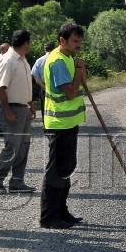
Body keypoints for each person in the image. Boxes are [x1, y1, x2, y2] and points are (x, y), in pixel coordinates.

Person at [40, 22, 87, 229]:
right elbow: (69, 92)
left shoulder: (69, 58)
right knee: (56, 170)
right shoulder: (58, 61)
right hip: (59, 123)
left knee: (66, 168)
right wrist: (78, 71)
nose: (78, 45)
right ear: (62, 40)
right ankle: (49, 216)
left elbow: (81, 83)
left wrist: (81, 69)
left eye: (80, 41)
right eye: (75, 41)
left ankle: (61, 210)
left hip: (69, 122)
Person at [0, 29, 37, 195]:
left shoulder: (23, 60)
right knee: (12, 147)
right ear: (26, 43)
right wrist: (8, 111)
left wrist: (30, 104)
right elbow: (1, 88)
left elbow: (23, 86)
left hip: (22, 107)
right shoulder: (8, 60)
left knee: (23, 146)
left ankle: (17, 181)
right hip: (12, 108)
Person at [31, 41, 54, 107]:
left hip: (44, 87)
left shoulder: (39, 61)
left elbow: (36, 77)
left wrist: (44, 87)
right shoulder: (58, 58)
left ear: (45, 49)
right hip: (57, 86)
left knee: (45, 109)